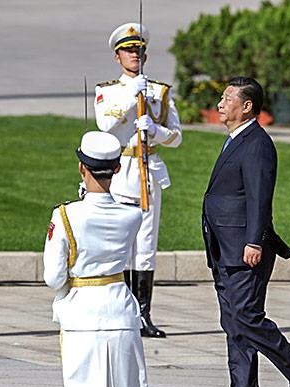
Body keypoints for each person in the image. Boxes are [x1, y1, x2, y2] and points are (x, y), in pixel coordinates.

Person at [201, 77, 290, 387]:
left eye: (227, 99)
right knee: (233, 321)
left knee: (247, 317)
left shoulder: (257, 143)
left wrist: (254, 240)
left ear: (247, 106)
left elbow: (259, 196)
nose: (220, 104)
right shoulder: (237, 139)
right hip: (224, 246)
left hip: (244, 247)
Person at [43, 131, 147, 387]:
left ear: (81, 168)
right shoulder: (133, 214)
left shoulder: (65, 216)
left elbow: (53, 276)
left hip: (81, 317)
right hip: (120, 312)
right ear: (117, 169)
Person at [94, 22, 182, 338]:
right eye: (129, 50)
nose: (135, 55)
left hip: (149, 172)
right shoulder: (108, 91)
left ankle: (143, 314)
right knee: (120, 244)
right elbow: (106, 125)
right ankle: (120, 311)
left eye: (139, 49)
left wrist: (156, 131)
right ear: (118, 56)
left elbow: (177, 136)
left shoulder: (159, 91)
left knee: (145, 246)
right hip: (121, 173)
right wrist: (133, 97)